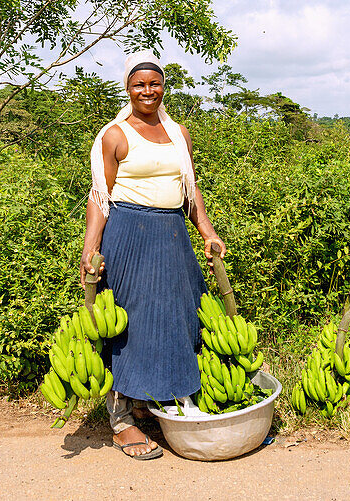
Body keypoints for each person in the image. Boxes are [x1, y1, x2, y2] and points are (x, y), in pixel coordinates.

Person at [79, 51, 225, 460]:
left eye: (155, 83)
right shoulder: (115, 134)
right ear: (128, 89)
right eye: (139, 84)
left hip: (171, 234)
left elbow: (190, 188)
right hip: (129, 233)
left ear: (164, 88)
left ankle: (155, 399)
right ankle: (122, 418)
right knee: (132, 320)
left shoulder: (179, 132)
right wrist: (91, 250)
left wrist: (207, 231)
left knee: (180, 314)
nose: (148, 90)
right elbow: (100, 197)